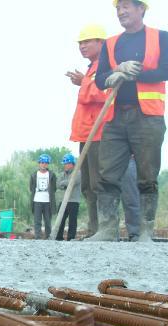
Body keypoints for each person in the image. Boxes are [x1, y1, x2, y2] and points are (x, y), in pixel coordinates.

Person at [91, 0, 168, 243]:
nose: (121, 11)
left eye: (126, 6)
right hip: (115, 117)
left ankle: (146, 231)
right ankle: (107, 229)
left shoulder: (161, 37)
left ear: (141, 9)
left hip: (148, 117)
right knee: (106, 174)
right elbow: (100, 80)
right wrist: (116, 71)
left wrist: (134, 73)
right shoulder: (111, 43)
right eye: (118, 8)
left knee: (147, 175)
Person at [67, 23, 111, 239]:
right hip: (87, 133)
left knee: (98, 183)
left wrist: (83, 82)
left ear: (101, 43)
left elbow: (104, 94)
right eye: (80, 43)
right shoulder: (92, 68)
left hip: (100, 132)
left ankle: (104, 228)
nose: (82, 46)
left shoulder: (107, 66)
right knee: (87, 185)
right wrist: (84, 81)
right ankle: (94, 229)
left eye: (87, 42)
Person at [55, 154, 81, 240]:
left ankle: (71, 238)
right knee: (60, 220)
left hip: (74, 201)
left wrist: (65, 183)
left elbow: (72, 182)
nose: (65, 166)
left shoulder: (78, 172)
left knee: (72, 221)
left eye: (66, 164)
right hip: (63, 201)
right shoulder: (62, 174)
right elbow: (58, 184)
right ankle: (58, 237)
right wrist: (66, 183)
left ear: (71, 164)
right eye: (64, 164)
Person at [29, 154, 54, 240]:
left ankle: (48, 237)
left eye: (46, 163)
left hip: (48, 201)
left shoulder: (51, 175)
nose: (44, 164)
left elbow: (54, 188)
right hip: (37, 201)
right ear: (39, 163)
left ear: (48, 164)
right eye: (42, 162)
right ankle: (37, 237)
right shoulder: (34, 175)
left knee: (48, 221)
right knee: (37, 221)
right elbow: (31, 187)